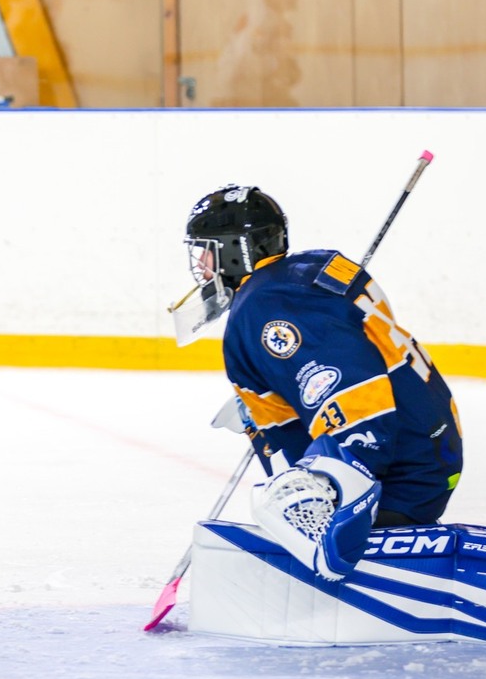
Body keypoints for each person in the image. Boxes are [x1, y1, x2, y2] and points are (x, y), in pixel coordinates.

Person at [183, 184, 463, 536]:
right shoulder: (305, 272)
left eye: (206, 251)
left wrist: (335, 487)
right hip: (429, 448)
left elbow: (355, 400)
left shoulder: (268, 304)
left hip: (400, 479)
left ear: (234, 250)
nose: (200, 264)